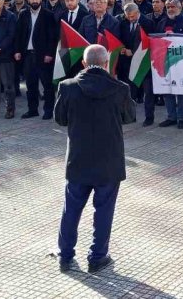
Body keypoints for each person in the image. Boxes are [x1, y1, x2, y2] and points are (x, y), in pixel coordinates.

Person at [54, 44, 136, 273]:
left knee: (71, 209)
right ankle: (98, 256)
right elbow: (129, 117)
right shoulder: (120, 88)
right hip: (108, 160)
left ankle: (65, 255)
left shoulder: (67, 87)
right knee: (104, 210)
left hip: (78, 158)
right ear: (106, 63)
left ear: (83, 63)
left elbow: (60, 119)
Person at [15, 0, 58, 120]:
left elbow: (53, 37)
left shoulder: (48, 15)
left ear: (41, 0)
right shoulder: (23, 14)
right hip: (27, 55)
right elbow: (18, 34)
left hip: (44, 56)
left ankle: (48, 110)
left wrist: (50, 53)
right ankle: (32, 109)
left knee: (47, 85)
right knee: (30, 85)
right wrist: (17, 50)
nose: (34, 1)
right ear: (28, 0)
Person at [156, 0, 183, 129]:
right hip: (165, 62)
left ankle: (182, 118)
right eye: (168, 7)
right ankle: (171, 117)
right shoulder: (162, 22)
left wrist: (176, 37)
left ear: (179, 8)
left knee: (182, 91)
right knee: (167, 90)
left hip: (182, 62)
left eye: (173, 7)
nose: (170, 9)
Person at [118, 3, 156, 124]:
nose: (131, 19)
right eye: (128, 16)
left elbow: (150, 44)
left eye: (133, 16)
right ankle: (130, 116)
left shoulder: (148, 23)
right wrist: (122, 48)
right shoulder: (123, 22)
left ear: (138, 12)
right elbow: (121, 38)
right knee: (130, 92)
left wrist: (133, 52)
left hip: (145, 63)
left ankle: (149, 118)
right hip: (128, 63)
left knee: (148, 92)